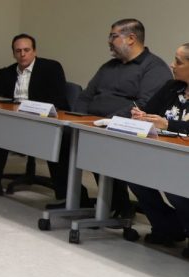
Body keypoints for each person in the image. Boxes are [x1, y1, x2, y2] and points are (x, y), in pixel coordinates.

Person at [71, 18, 170, 215]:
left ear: (131, 38)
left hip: (122, 128)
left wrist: (106, 122)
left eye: (113, 36)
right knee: (64, 140)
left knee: (99, 143)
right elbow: (86, 95)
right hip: (92, 124)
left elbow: (144, 105)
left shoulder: (154, 68)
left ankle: (119, 206)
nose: (109, 41)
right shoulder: (109, 66)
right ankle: (75, 199)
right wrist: (78, 119)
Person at [0, 34, 70, 198]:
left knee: (56, 138)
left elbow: (58, 99)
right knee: (1, 130)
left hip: (43, 120)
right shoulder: (5, 73)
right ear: (13, 53)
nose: (22, 54)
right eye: (18, 51)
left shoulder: (51, 68)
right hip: (14, 120)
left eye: (27, 50)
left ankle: (64, 192)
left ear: (34, 51)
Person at [126, 43, 189, 245]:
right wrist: (142, 116)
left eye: (178, 61)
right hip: (163, 153)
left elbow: (165, 122)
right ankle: (167, 227)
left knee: (175, 186)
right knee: (134, 175)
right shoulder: (172, 87)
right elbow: (151, 112)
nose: (172, 65)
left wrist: (168, 124)